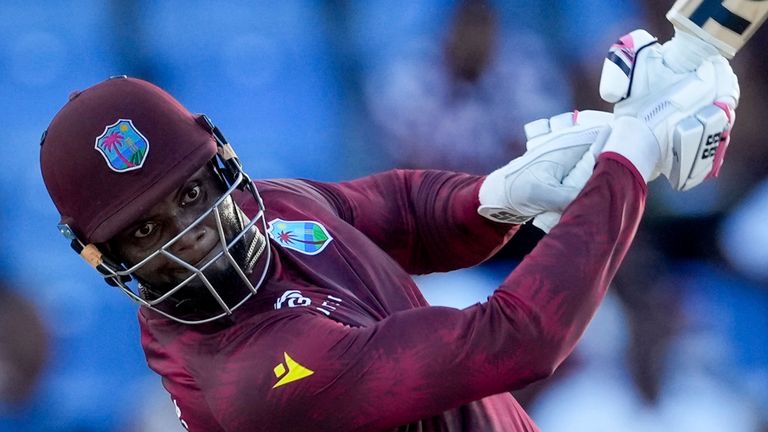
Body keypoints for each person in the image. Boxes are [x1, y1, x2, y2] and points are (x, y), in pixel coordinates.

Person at [39, 29, 738, 431]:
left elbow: (400, 214)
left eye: (190, 193)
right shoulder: (256, 382)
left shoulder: (273, 206)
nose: (188, 233)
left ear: (222, 161)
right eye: (145, 230)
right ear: (105, 258)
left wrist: (500, 193)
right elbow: (521, 336)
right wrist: (628, 161)